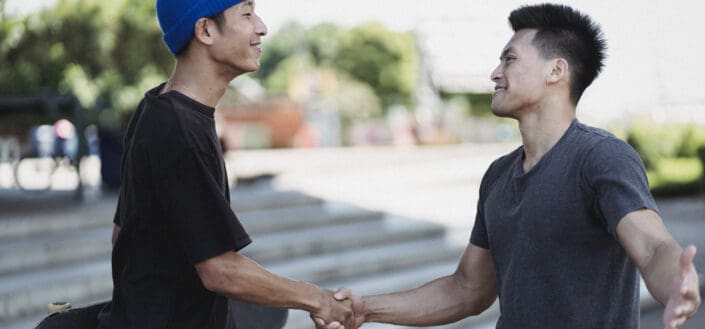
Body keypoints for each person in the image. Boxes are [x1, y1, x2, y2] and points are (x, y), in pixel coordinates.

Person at [316, 3, 700, 329]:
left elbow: (651, 247)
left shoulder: (601, 157)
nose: (495, 73)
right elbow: (467, 288)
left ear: (556, 71)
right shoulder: (498, 176)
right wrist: (367, 308)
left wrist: (675, 284)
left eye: (510, 59)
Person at [96, 1, 353, 328]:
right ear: (205, 30)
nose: (261, 27)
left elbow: (123, 233)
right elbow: (219, 270)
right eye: (247, 14)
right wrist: (318, 299)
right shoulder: (178, 129)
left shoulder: (157, 105)